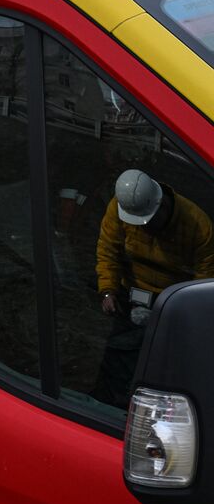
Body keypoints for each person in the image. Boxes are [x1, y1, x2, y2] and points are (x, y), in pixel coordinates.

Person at [93, 168, 214, 405]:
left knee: (167, 362)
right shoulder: (121, 208)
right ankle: (110, 405)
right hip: (132, 293)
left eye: (147, 222)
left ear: (162, 206)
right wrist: (108, 289)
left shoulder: (198, 226)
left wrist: (188, 316)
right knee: (118, 358)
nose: (143, 228)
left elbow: (205, 278)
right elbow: (108, 249)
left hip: (173, 300)